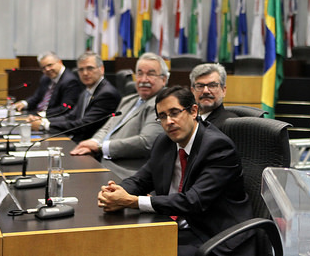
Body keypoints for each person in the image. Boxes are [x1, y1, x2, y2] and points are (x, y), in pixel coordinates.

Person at [97, 86, 255, 256]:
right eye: (162, 116)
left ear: (193, 111)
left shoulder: (217, 147)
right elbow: (141, 179)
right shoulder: (165, 142)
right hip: (174, 224)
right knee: (120, 243)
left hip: (214, 234)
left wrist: (134, 202)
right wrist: (115, 193)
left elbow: (193, 201)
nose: (169, 121)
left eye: (174, 113)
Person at [70, 52, 167, 178]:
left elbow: (146, 143)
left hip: (126, 174)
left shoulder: (161, 104)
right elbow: (107, 128)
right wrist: (93, 141)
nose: (143, 80)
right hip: (102, 164)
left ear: (164, 79)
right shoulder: (128, 100)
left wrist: (100, 147)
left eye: (150, 74)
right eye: (140, 73)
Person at [28, 52, 121, 143]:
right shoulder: (87, 91)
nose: (85, 73)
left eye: (90, 68)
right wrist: (43, 121)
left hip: (90, 146)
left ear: (102, 69)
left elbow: (84, 124)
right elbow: (71, 116)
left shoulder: (106, 94)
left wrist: (46, 125)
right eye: (81, 69)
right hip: (77, 140)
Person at [14, 51, 83, 115]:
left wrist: (42, 114)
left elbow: (65, 108)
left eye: (50, 65)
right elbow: (37, 97)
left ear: (60, 62)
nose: (47, 69)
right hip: (36, 114)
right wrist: (24, 103)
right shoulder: (45, 78)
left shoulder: (70, 81)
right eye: (43, 68)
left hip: (52, 118)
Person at [189, 63, 238, 129]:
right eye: (200, 86)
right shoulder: (187, 121)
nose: (205, 91)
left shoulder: (230, 125)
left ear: (223, 90)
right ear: (193, 91)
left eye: (212, 86)